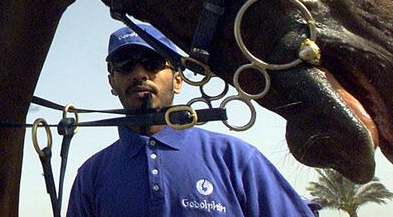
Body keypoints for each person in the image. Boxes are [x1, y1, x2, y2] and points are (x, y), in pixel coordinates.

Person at [66, 22, 315, 217]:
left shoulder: (235, 159)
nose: (140, 74)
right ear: (112, 81)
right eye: (125, 65)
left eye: (153, 63)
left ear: (178, 79)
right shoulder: (91, 176)